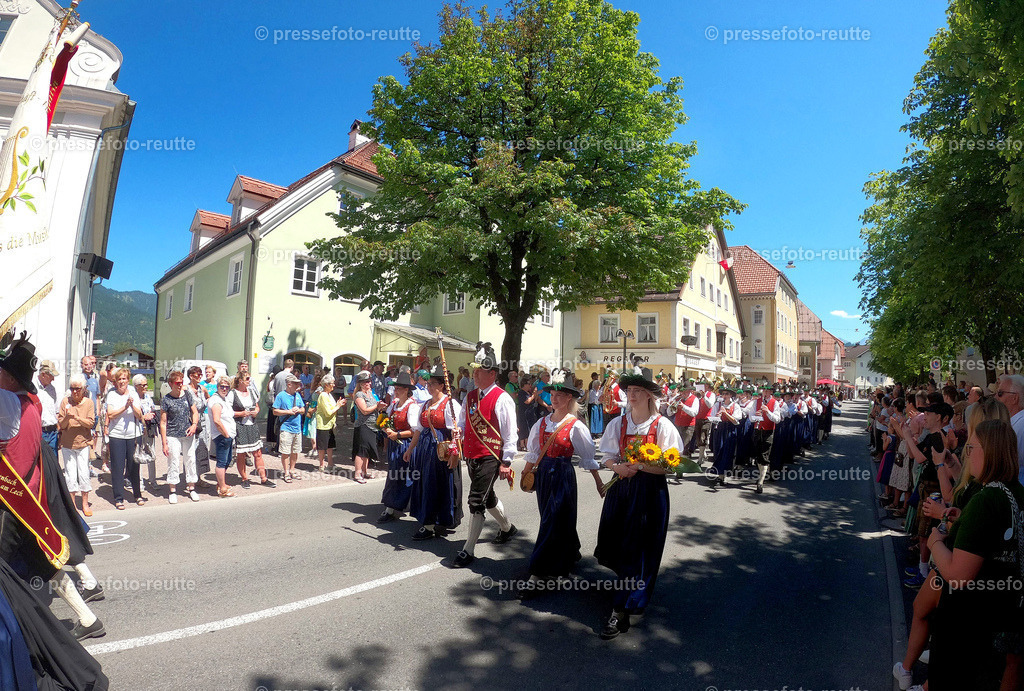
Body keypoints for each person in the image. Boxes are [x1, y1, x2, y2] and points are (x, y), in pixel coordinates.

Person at [926, 418, 1024, 690]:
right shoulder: (1017, 492)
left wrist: (935, 542)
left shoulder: (985, 498)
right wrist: (963, 522)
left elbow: (958, 575)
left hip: (969, 621)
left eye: (972, 448)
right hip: (1002, 615)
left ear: (989, 452)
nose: (967, 454)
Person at [595, 367, 682, 639]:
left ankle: (622, 608)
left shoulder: (663, 426)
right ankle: (628, 594)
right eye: (629, 391)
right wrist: (618, 468)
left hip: (650, 493)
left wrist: (642, 467)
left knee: (643, 548)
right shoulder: (618, 424)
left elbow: (671, 465)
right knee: (622, 546)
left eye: (637, 391)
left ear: (648, 395)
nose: (631, 395)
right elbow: (607, 455)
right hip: (622, 489)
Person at [520, 371, 600, 596]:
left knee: (551, 520)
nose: (554, 399)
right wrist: (526, 475)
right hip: (544, 474)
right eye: (552, 395)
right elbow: (534, 452)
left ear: (569, 399)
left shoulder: (575, 425)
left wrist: (598, 481)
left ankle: (539, 572)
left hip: (563, 475)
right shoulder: (541, 423)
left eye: (559, 395)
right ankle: (569, 551)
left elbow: (587, 456)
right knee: (551, 516)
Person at [450, 342, 518, 568]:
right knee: (487, 498)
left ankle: (468, 550)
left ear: (492, 374)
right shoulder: (470, 396)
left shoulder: (502, 398)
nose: (474, 374)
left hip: (491, 456)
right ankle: (507, 528)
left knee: (476, 500)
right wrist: (457, 430)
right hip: (471, 455)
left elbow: (509, 433)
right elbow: (462, 422)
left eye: (479, 371)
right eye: (474, 370)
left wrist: (507, 461)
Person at [896, 402, 953, 588]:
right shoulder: (932, 436)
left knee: (926, 532)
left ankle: (924, 573)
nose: (925, 416)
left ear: (940, 417)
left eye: (928, 413)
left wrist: (906, 436)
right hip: (927, 488)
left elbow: (920, 458)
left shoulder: (938, 437)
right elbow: (914, 455)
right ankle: (923, 568)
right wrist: (907, 437)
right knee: (923, 532)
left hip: (934, 490)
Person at [407, 364, 464, 540]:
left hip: (442, 451)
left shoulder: (451, 404)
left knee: (437, 485)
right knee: (425, 484)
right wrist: (410, 449)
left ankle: (431, 524)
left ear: (441, 385)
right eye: (428, 383)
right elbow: (418, 429)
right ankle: (429, 519)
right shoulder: (425, 404)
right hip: (425, 450)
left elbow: (457, 431)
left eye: (432, 383)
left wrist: (455, 454)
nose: (429, 386)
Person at [378, 372, 420, 523]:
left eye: (399, 388)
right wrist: (386, 427)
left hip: (406, 445)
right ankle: (394, 505)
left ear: (407, 390)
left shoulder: (412, 406)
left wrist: (398, 434)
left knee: (403, 476)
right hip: (395, 445)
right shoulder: (395, 404)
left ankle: (393, 507)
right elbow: (386, 421)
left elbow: (416, 431)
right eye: (395, 388)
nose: (396, 391)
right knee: (395, 475)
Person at [159, 370, 201, 504]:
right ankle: (172, 490)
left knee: (190, 459)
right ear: (171, 384)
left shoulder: (187, 395)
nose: (180, 385)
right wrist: (164, 443)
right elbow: (163, 422)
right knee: (174, 461)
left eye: (181, 382)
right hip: (172, 435)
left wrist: (194, 425)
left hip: (187, 433)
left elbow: (195, 412)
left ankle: (192, 487)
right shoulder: (166, 399)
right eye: (177, 383)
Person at [104, 368, 143, 509]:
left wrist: (132, 405)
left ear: (128, 380)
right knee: (118, 467)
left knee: (134, 467)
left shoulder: (133, 393)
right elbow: (111, 414)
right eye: (119, 379)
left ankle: (137, 494)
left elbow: (139, 415)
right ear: (115, 381)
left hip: (133, 435)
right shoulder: (112, 395)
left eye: (124, 379)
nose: (122, 382)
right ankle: (119, 497)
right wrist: (125, 407)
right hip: (117, 435)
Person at [58, 375, 95, 516]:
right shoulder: (65, 402)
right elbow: (61, 425)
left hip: (83, 443)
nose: (74, 392)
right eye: (72, 388)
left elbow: (91, 423)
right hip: (68, 445)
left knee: (84, 473)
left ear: (83, 389)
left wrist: (78, 418)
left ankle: (85, 503)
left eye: (77, 389)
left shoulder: (89, 403)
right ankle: (72, 505)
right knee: (70, 475)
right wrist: (68, 416)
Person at [229, 373, 275, 489]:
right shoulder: (233, 393)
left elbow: (256, 406)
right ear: (240, 380)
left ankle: (263, 478)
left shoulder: (252, 391)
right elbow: (228, 412)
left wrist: (256, 411)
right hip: (240, 426)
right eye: (247, 378)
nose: (249, 380)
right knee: (241, 454)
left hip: (252, 424)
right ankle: (244, 478)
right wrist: (241, 413)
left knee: (258, 453)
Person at [351, 371, 386, 484]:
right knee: (361, 450)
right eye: (366, 382)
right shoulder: (359, 395)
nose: (369, 383)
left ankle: (365, 472)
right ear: (361, 383)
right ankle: (357, 473)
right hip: (363, 425)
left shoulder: (370, 394)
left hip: (372, 426)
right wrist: (377, 406)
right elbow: (365, 410)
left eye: (369, 381)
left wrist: (380, 407)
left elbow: (375, 408)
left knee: (368, 451)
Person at [209, 377, 238, 498]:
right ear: (217, 386)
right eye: (222, 386)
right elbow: (217, 420)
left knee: (227, 460)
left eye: (227, 386)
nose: (224, 388)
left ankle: (221, 483)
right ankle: (222, 490)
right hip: (221, 436)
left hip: (228, 436)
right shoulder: (216, 401)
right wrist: (225, 434)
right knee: (221, 462)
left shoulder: (223, 399)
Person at [749, 385, 782, 494]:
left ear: (771, 392)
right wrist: (756, 416)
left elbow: (777, 419)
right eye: (764, 390)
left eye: (767, 391)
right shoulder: (756, 402)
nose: (765, 392)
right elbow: (750, 417)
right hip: (758, 430)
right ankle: (761, 475)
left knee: (764, 455)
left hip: (768, 431)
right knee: (758, 455)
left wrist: (767, 412)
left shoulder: (775, 402)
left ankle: (761, 482)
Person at [273, 374, 305, 482]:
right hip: (286, 427)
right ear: (289, 384)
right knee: (285, 451)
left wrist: (299, 410)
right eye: (296, 383)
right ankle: (286, 472)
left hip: (297, 428)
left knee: (295, 451)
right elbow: (275, 411)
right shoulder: (281, 396)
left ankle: (292, 470)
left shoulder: (297, 395)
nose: (298, 385)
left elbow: (303, 409)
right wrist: (288, 411)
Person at [709, 387, 742, 486]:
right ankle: (719, 474)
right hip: (720, 429)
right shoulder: (717, 404)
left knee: (727, 452)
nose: (724, 396)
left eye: (727, 394)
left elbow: (736, 421)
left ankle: (722, 475)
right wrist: (717, 417)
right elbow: (712, 417)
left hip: (730, 429)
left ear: (731, 395)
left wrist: (725, 413)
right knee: (718, 451)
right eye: (723, 394)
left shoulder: (735, 406)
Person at [132, 374, 159, 494]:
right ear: (136, 386)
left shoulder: (148, 397)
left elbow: (153, 409)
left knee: (151, 454)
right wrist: (144, 416)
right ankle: (140, 482)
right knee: (139, 456)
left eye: (146, 384)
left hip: (149, 429)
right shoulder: (133, 398)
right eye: (142, 385)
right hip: (137, 430)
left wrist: (151, 416)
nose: (145, 387)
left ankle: (153, 480)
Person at [185, 366, 212, 485]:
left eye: (201, 374)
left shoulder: (202, 388)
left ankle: (199, 477)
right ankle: (189, 478)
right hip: (190, 422)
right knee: (190, 450)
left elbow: (209, 400)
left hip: (203, 422)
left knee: (202, 449)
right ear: (191, 376)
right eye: (198, 375)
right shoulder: (185, 389)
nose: (200, 376)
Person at [995, 374, 1024, 483]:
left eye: (1000, 393)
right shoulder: (1013, 424)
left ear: (1014, 398)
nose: (996, 397)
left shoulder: (1020, 426)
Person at [315, 375, 343, 473]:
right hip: (323, 425)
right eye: (332, 383)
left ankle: (330, 463)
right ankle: (321, 465)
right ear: (326, 385)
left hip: (330, 425)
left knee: (330, 445)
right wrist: (338, 406)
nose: (334, 385)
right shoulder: (323, 395)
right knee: (322, 446)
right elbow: (328, 412)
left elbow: (331, 408)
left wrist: (337, 404)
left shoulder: (329, 394)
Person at [35, 360, 60, 455]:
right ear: (43, 374)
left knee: (53, 464)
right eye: (51, 376)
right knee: (42, 463)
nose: (53, 379)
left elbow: (56, 411)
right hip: (40, 432)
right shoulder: (32, 388)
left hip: (53, 432)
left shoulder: (52, 389)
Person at [586, 372, 604, 437]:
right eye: (598, 385)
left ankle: (598, 432)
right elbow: (592, 400)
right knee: (594, 420)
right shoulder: (592, 391)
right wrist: (599, 400)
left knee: (599, 419)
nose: (599, 386)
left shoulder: (600, 391)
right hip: (594, 407)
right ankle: (593, 432)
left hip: (598, 406)